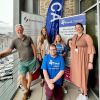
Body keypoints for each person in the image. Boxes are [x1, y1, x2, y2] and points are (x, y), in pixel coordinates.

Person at [0, 24, 37, 100]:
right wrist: (1, 54)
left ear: (23, 30)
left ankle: (29, 88)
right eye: (17, 30)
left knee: (30, 74)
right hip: (22, 62)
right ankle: (26, 90)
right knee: (22, 77)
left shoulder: (29, 38)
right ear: (16, 31)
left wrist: (35, 57)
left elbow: (33, 47)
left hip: (31, 60)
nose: (19, 31)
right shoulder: (14, 41)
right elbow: (9, 50)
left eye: (20, 29)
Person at [70, 23, 95, 100]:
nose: (77, 28)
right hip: (76, 60)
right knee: (79, 76)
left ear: (82, 28)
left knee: (84, 76)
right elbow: (73, 47)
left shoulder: (87, 37)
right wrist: (70, 44)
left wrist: (90, 62)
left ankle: (85, 94)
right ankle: (81, 92)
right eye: (76, 27)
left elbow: (91, 50)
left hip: (84, 59)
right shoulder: (74, 36)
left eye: (79, 27)